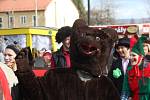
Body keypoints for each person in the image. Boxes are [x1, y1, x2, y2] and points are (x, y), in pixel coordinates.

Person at [121, 36, 150, 100]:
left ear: (141, 57)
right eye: (130, 55)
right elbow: (125, 91)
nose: (131, 58)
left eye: (133, 55)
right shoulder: (129, 71)